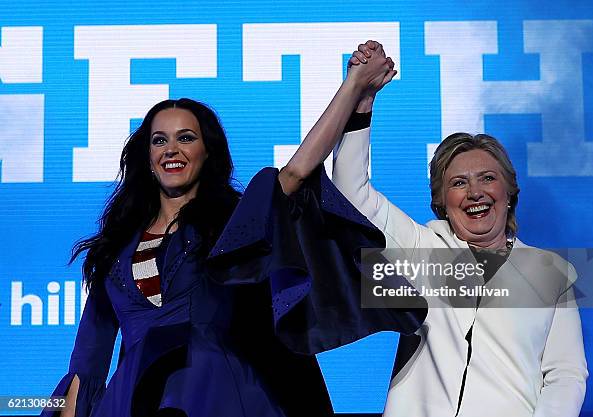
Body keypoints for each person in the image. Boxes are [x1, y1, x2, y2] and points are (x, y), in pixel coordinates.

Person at [41, 44, 425, 417]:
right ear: (148, 157)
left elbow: (295, 172)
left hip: (218, 389)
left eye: (186, 138)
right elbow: (86, 366)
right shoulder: (113, 251)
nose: (171, 149)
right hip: (134, 398)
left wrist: (354, 88)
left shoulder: (233, 224)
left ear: (208, 152)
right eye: (160, 140)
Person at [330, 41, 588, 417]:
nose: (475, 193)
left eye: (487, 178)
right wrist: (362, 103)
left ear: (508, 192)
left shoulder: (551, 272)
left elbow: (566, 375)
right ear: (442, 200)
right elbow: (351, 192)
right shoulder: (420, 248)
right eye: (459, 183)